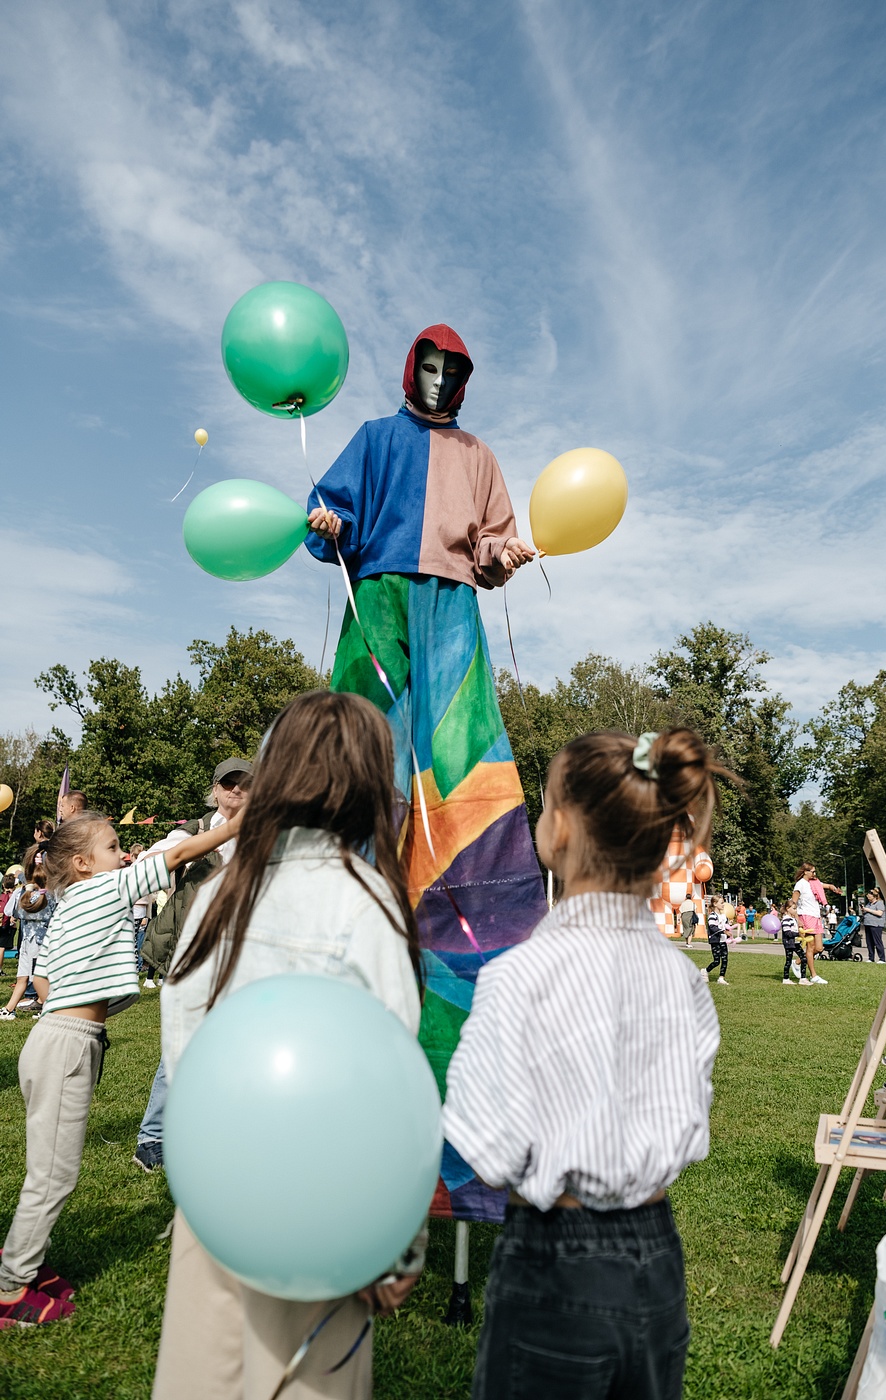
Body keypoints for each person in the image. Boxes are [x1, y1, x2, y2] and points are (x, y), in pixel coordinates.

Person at [305, 325, 548, 1221]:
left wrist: (504, 555)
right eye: (432, 368)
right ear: (413, 370)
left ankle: (464, 912)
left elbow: (490, 548)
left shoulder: (478, 454)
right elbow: (323, 514)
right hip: (377, 598)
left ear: (464, 381)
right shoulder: (374, 438)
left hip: (448, 606)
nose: (442, 382)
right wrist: (326, 524)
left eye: (455, 372)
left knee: (456, 762)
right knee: (360, 754)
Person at [153, 691, 426, 1400]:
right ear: (370, 782)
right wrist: (394, 1239)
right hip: (322, 1213)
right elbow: (390, 1080)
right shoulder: (366, 903)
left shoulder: (222, 891)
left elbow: (181, 1038)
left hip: (213, 1195)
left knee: (199, 1380)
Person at [442, 728, 728, 1400]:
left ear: (560, 829)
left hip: (552, 1260)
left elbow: (489, 1147)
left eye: (541, 806)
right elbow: (690, 1106)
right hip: (656, 1257)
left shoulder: (520, 975)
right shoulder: (679, 978)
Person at [0, 809, 236, 1326]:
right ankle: (12, 1287)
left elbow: (42, 982)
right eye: (113, 848)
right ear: (84, 864)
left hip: (57, 1040)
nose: (124, 855)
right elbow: (176, 855)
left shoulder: (70, 903)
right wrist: (239, 825)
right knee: (53, 1176)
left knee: (50, 1167)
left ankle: (25, 1261)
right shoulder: (102, 891)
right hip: (65, 1046)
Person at [132, 757, 253, 1173]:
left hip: (245, 954)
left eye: (244, 783)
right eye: (228, 783)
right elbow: (155, 860)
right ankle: (152, 1137)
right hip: (195, 955)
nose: (236, 790)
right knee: (182, 1046)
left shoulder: (265, 834)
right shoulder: (194, 830)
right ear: (215, 790)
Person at [0, 847, 57, 1020]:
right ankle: (9, 1009)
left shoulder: (25, 895)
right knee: (24, 978)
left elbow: (11, 911)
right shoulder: (51, 896)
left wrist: (22, 890)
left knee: (37, 980)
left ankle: (49, 1011)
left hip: (33, 943)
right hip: (35, 942)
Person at [790, 864, 834, 983]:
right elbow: (793, 903)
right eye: (813, 872)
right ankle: (814, 976)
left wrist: (832, 888)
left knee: (819, 948)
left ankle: (797, 962)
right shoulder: (800, 884)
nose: (815, 874)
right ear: (805, 872)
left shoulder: (813, 883)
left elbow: (825, 886)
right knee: (810, 947)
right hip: (806, 915)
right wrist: (797, 919)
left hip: (816, 917)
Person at [780, 901, 809, 985]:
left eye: (796, 908)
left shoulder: (793, 919)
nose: (795, 910)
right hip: (789, 943)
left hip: (795, 943)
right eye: (794, 908)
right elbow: (787, 932)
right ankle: (786, 979)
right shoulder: (786, 919)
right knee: (788, 961)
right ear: (787, 909)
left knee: (803, 958)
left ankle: (803, 978)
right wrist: (798, 934)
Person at [703, 894, 730, 985]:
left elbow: (726, 927)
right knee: (717, 961)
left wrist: (728, 930)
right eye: (721, 903)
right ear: (715, 904)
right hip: (715, 941)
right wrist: (723, 931)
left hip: (723, 940)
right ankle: (705, 971)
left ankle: (721, 978)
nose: (723, 905)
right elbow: (712, 927)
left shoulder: (723, 916)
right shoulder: (712, 915)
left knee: (725, 959)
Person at [862, 888, 886, 963]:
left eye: (869, 895)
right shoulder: (869, 904)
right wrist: (864, 910)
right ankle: (871, 957)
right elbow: (867, 912)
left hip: (876, 925)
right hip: (868, 924)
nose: (867, 896)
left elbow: (879, 913)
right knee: (869, 942)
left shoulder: (879, 903)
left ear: (874, 896)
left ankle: (882, 958)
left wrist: (867, 910)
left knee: (877, 942)